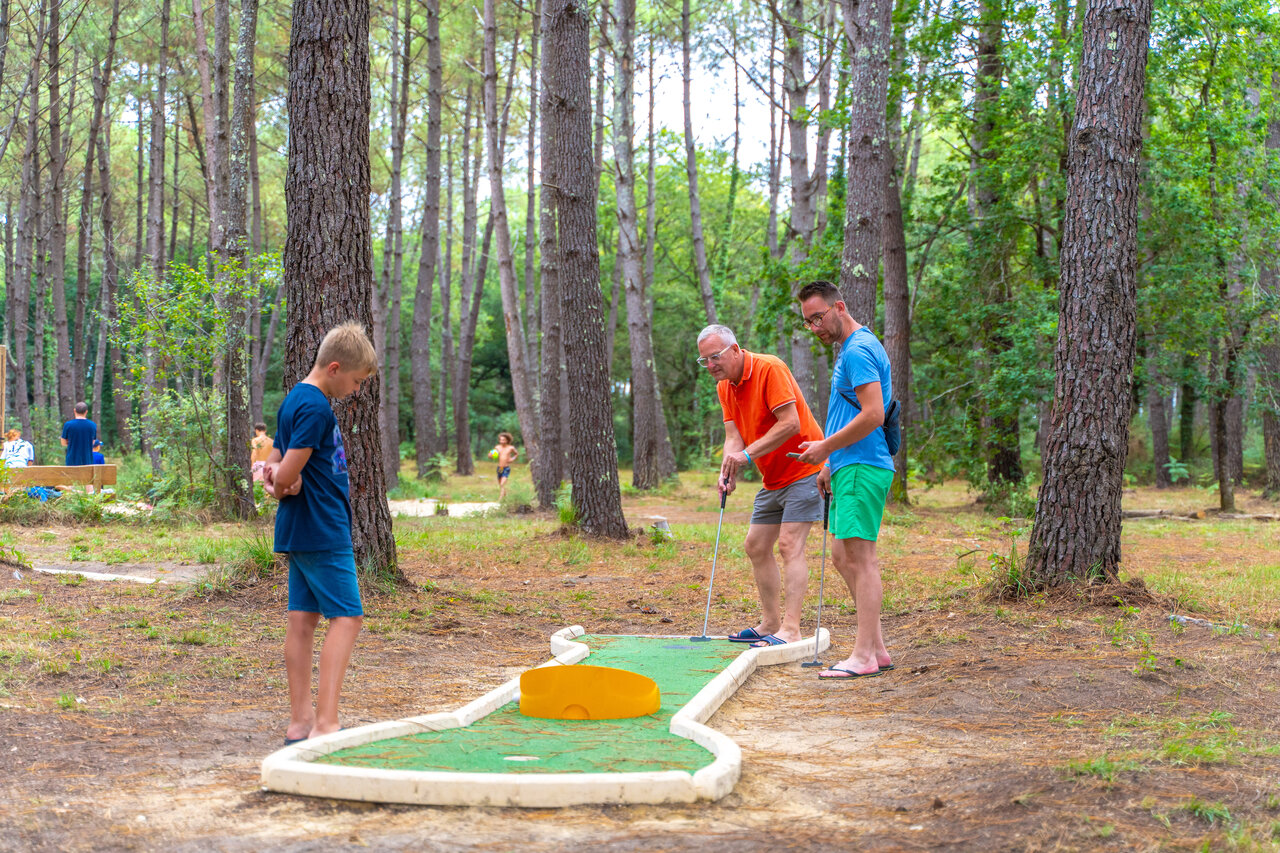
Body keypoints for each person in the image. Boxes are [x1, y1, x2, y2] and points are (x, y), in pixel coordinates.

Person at [262, 320, 378, 744]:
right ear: (334, 368)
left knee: (302, 619)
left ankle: (300, 723)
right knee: (347, 618)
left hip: (300, 527)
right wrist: (281, 482)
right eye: (356, 381)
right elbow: (282, 472)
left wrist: (278, 480)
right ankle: (326, 723)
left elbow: (272, 462)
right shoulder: (315, 407)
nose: (357, 389)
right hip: (322, 526)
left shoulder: (295, 398)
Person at [697, 323, 825, 648]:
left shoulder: (770, 368)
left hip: (805, 467)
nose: (710, 365)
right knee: (755, 545)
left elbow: (791, 423)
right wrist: (728, 469)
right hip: (773, 477)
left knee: (789, 545)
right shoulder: (725, 387)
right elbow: (733, 437)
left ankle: (792, 629)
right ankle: (771, 622)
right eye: (704, 360)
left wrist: (746, 456)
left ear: (735, 350)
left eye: (715, 357)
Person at [794, 281, 896, 680]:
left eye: (818, 317)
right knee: (841, 556)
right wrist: (829, 463)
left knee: (861, 559)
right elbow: (848, 411)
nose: (814, 327)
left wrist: (825, 447)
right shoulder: (850, 349)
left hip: (863, 464)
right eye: (808, 322)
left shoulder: (858, 349)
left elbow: (873, 414)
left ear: (839, 307)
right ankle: (877, 648)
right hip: (846, 465)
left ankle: (864, 655)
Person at [490, 432, 518, 500]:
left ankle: (500, 499)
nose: (502, 441)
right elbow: (491, 454)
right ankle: (505, 497)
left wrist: (512, 459)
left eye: (503, 440)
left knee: (502, 484)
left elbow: (516, 454)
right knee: (500, 484)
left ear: (507, 440)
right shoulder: (497, 447)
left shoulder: (511, 448)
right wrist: (491, 455)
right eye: (500, 440)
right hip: (500, 468)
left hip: (506, 468)